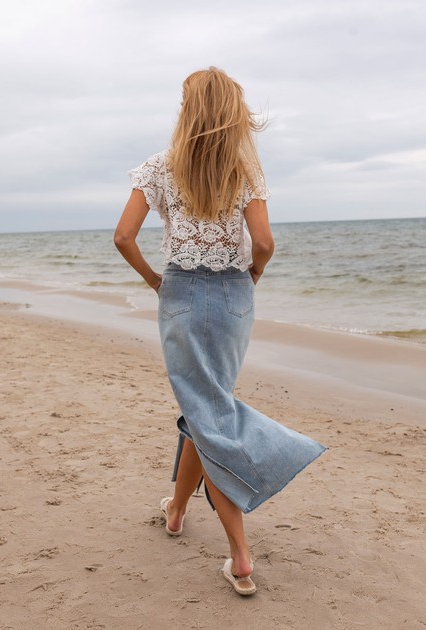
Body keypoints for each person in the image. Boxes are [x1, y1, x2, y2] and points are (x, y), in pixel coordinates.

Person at [114, 67, 326, 596]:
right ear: (233, 112)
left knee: (208, 414)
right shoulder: (243, 170)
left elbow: (122, 237)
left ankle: (241, 555)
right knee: (206, 407)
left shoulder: (159, 167)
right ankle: (178, 511)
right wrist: (250, 278)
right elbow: (265, 243)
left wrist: (156, 283)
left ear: (187, 110)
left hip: (181, 295)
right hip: (234, 298)